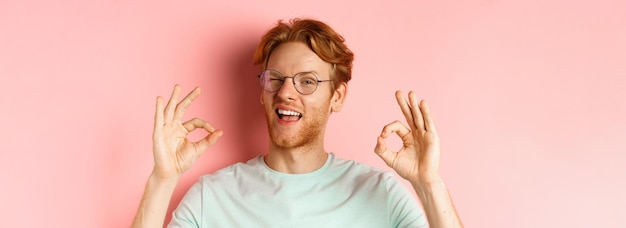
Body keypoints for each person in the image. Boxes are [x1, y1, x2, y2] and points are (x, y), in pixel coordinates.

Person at [131, 18, 463, 228]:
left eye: (307, 81)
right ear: (261, 92)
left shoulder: (380, 193)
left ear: (337, 97)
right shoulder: (212, 197)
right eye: (275, 79)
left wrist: (428, 185)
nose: (286, 92)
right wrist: (162, 179)